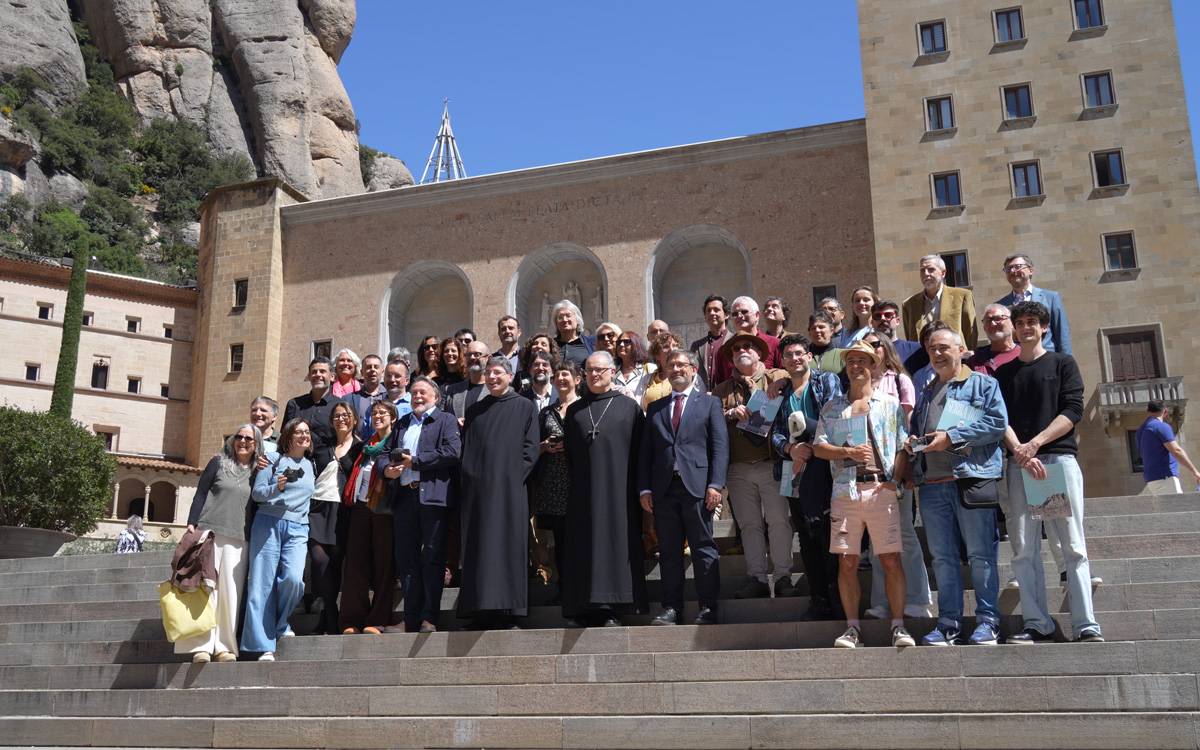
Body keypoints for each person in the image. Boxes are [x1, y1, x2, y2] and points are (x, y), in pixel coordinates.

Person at [996, 301, 1102, 644]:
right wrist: (1020, 451)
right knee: (1024, 549)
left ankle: (1086, 624)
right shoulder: (1005, 373)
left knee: (1072, 546)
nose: (1026, 327)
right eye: (1021, 322)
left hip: (1054, 463)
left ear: (1044, 327)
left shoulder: (1062, 363)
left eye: (1032, 322)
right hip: (1020, 466)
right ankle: (1037, 623)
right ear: (1014, 328)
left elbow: (1073, 409)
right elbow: (1001, 419)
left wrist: (1035, 444)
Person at [909, 328, 1008, 646]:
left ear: (962, 349)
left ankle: (988, 621)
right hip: (932, 485)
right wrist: (916, 444)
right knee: (942, 558)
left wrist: (952, 437)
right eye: (931, 349)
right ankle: (948, 623)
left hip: (971, 478)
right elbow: (922, 430)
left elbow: (997, 423)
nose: (936, 354)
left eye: (942, 347)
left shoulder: (983, 384)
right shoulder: (925, 391)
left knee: (981, 555)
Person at [813, 341, 914, 649]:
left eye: (862, 360)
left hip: (879, 488)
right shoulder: (832, 407)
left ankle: (898, 626)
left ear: (873, 365)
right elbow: (818, 447)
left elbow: (902, 447)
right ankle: (852, 628)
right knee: (846, 561)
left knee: (891, 559)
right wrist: (846, 451)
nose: (856, 365)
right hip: (845, 490)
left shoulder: (889, 404)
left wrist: (893, 482)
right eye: (851, 360)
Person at [639, 349, 728, 625]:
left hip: (698, 488)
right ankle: (671, 608)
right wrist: (644, 489)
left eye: (682, 364)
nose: (676, 368)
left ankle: (708, 606)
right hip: (664, 490)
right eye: (671, 365)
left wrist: (715, 484)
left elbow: (720, 447)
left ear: (693, 370)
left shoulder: (709, 404)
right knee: (668, 551)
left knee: (703, 548)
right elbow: (646, 452)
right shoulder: (655, 408)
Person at [561, 351, 648, 626]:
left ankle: (614, 606)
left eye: (600, 370)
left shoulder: (628, 407)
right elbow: (570, 457)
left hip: (619, 492)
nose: (594, 375)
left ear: (612, 372)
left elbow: (640, 451)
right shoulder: (574, 411)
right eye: (589, 371)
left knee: (616, 546)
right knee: (583, 548)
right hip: (584, 494)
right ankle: (583, 608)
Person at [456, 356, 539, 629]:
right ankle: (480, 610)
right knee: (479, 550)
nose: (492, 378)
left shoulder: (525, 406)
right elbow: (468, 450)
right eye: (489, 373)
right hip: (477, 493)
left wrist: (511, 479)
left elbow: (530, 449)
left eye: (498, 373)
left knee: (508, 548)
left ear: (509, 375)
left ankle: (508, 611)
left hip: (509, 491)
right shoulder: (477, 410)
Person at [860, 332, 934, 621]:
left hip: (897, 467)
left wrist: (907, 468)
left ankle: (918, 599)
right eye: (865, 345)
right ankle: (882, 601)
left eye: (876, 344)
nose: (871, 349)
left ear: (885, 348)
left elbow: (908, 425)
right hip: (868, 472)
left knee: (904, 534)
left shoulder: (900, 380)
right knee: (879, 539)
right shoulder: (857, 385)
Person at [769, 334, 844, 620]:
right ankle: (818, 600)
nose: (794, 359)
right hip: (793, 471)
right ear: (783, 361)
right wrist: (791, 448)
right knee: (806, 537)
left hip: (825, 470)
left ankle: (837, 600)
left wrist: (809, 446)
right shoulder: (781, 392)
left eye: (800, 353)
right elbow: (773, 432)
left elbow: (835, 417)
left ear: (809, 356)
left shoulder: (826, 381)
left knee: (826, 535)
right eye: (788, 355)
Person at [379, 376, 461, 633]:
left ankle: (430, 617)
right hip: (405, 498)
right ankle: (411, 618)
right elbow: (384, 453)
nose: (417, 397)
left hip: (433, 498)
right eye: (414, 393)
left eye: (423, 393)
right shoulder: (403, 422)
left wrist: (414, 462)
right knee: (406, 559)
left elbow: (452, 453)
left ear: (436, 397)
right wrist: (387, 470)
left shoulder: (445, 420)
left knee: (432, 558)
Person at [712, 332, 790, 599]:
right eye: (735, 349)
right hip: (738, 468)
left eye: (747, 346)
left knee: (779, 521)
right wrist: (728, 413)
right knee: (749, 525)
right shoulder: (721, 389)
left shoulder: (778, 377)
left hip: (772, 464)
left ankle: (783, 577)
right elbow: (709, 426)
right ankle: (756, 578)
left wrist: (759, 390)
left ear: (759, 353)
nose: (741, 351)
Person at [178, 425, 262, 662]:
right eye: (239, 437)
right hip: (210, 532)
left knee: (231, 593)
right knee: (206, 590)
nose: (243, 441)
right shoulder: (217, 462)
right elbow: (201, 493)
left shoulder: (258, 471)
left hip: (239, 537)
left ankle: (225, 646)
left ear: (256, 445)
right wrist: (192, 522)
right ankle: (201, 647)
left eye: (249, 439)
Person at [242, 418, 314, 661]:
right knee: (261, 585)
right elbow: (258, 493)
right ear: (288, 436)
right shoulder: (272, 459)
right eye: (298, 432)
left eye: (306, 432)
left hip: (298, 527)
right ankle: (263, 645)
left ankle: (280, 623)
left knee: (294, 580)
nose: (304, 435)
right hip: (268, 523)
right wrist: (277, 488)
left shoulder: (311, 463)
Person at [337, 400, 397, 635]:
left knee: (384, 564)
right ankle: (351, 619)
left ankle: (378, 619)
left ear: (393, 417)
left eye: (383, 413)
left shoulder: (395, 442)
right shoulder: (366, 445)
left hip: (384, 509)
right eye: (374, 413)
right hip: (361, 508)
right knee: (355, 565)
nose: (378, 416)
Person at [529, 359, 581, 586]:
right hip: (553, 485)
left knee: (580, 538)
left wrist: (569, 444)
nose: (560, 378)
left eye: (566, 374)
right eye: (557, 374)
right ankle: (564, 588)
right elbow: (533, 446)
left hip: (579, 482)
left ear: (577, 380)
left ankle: (581, 588)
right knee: (558, 540)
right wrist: (544, 446)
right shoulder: (547, 412)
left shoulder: (586, 407)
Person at [307, 401, 355, 634]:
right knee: (319, 561)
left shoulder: (359, 447)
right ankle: (331, 611)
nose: (341, 419)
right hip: (317, 507)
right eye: (337, 415)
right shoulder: (321, 447)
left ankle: (327, 617)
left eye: (346, 415)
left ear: (353, 419)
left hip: (342, 510)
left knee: (335, 565)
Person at [996, 254, 1071, 354]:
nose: (1013, 271)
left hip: (1048, 360)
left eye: (1017, 267)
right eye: (1008, 269)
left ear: (1030, 270)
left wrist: (1066, 365)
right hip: (1017, 363)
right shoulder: (1000, 306)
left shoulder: (1050, 298)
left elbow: (1062, 335)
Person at [902, 254, 979, 345]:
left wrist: (967, 357)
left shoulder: (962, 296)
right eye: (922, 270)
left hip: (954, 356)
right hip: (922, 357)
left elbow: (970, 333)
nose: (926, 274)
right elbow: (910, 339)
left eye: (931, 269)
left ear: (943, 273)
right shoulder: (909, 304)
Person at [710, 296, 782, 386]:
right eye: (735, 314)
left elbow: (786, 380)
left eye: (744, 312)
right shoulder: (724, 350)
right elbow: (721, 384)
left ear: (757, 315)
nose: (739, 316)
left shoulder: (775, 344)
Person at [1137, 402, 1200, 495]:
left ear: (1148, 411)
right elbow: (1176, 451)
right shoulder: (1160, 426)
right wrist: (1195, 472)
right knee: (1178, 508)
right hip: (1165, 478)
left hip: (1151, 479)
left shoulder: (1140, 430)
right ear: (1165, 411)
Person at [689, 294, 731, 390]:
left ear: (726, 314)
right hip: (703, 399)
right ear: (705, 316)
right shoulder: (696, 346)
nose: (712, 313)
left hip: (728, 398)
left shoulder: (735, 342)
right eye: (708, 310)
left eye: (716, 310)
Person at [871, 300, 925, 374]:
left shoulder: (916, 350)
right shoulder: (866, 350)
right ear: (872, 323)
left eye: (888, 315)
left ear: (898, 321)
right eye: (877, 316)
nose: (882, 318)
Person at [967, 304, 1021, 376]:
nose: (992, 324)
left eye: (998, 318)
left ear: (1012, 323)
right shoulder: (975, 359)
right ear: (984, 328)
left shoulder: (1025, 355)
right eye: (988, 320)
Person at [344, 354, 387, 440]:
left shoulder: (389, 397)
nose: (372, 370)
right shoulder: (348, 399)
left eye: (376, 367)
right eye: (368, 367)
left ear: (382, 372)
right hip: (356, 448)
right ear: (362, 372)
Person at [638, 332, 684, 411]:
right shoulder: (646, 379)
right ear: (657, 355)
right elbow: (638, 405)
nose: (672, 349)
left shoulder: (688, 376)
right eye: (666, 346)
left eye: (675, 346)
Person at [445, 340, 490, 421]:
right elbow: (443, 418)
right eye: (468, 355)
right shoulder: (452, 390)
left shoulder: (495, 390)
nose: (472, 358)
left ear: (488, 358)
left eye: (477, 354)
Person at [552, 300, 595, 367]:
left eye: (568, 316)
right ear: (556, 323)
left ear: (577, 320)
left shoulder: (592, 344)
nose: (564, 320)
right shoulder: (551, 345)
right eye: (560, 317)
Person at [613, 330, 654, 400]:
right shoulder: (612, 372)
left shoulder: (648, 369)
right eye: (619, 342)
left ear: (636, 345)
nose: (621, 345)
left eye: (626, 342)